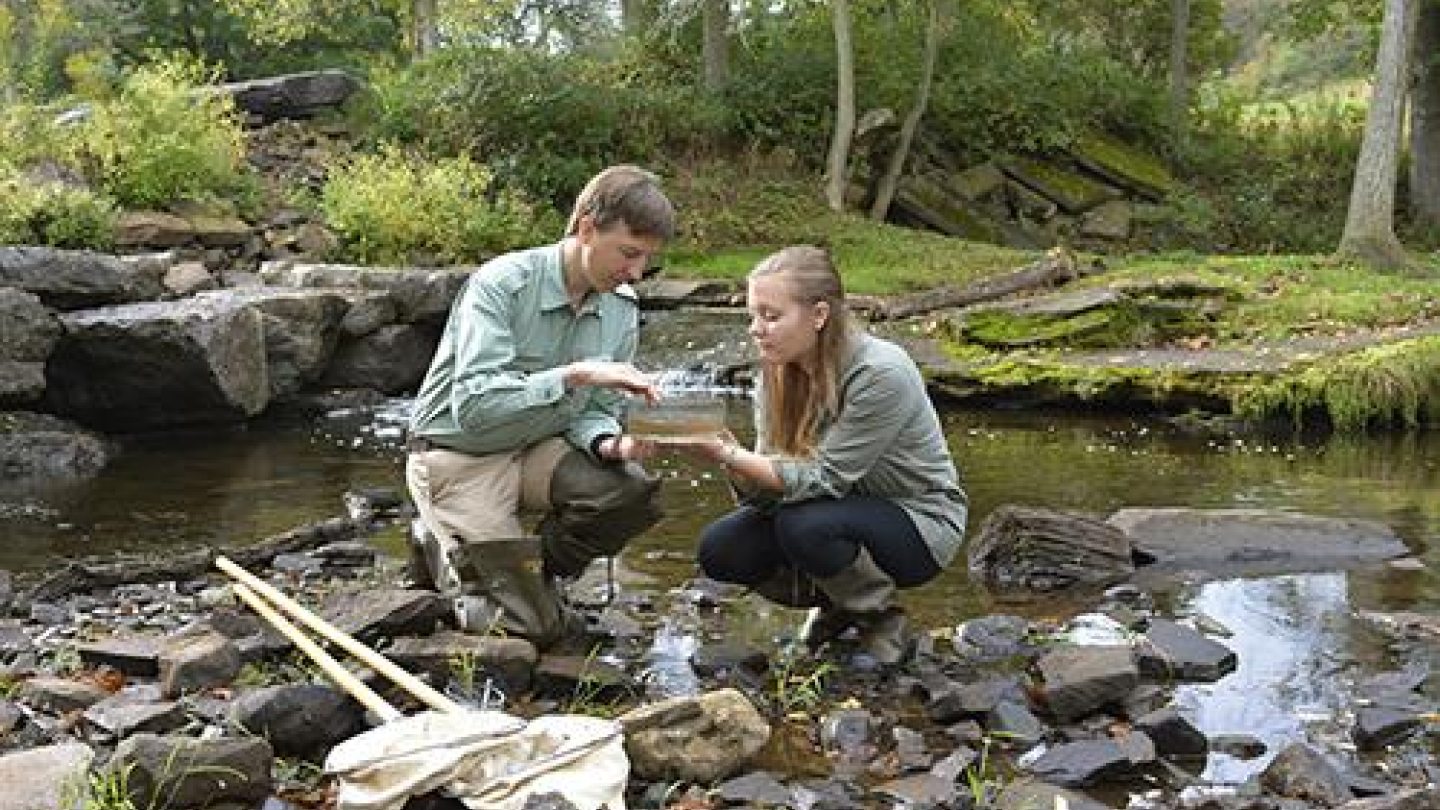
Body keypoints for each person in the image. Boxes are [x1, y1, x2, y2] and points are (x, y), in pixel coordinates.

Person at [404, 165, 675, 649]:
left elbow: (595, 411)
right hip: (457, 457)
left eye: (646, 260)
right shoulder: (501, 284)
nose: (635, 272)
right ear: (588, 228)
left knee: (630, 493)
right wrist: (575, 374)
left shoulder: (621, 308)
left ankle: (528, 575)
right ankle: (437, 544)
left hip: (535, 451)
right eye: (629, 254)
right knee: (535, 630)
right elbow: (476, 406)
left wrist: (611, 443)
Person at [670, 245, 967, 666]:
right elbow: (770, 495)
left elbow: (822, 479)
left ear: (819, 315)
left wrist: (731, 454)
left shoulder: (881, 372)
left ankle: (878, 618)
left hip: (917, 521)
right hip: (824, 510)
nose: (756, 330)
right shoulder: (773, 374)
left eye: (771, 316)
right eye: (752, 316)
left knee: (805, 524)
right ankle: (837, 607)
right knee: (721, 547)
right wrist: (727, 457)